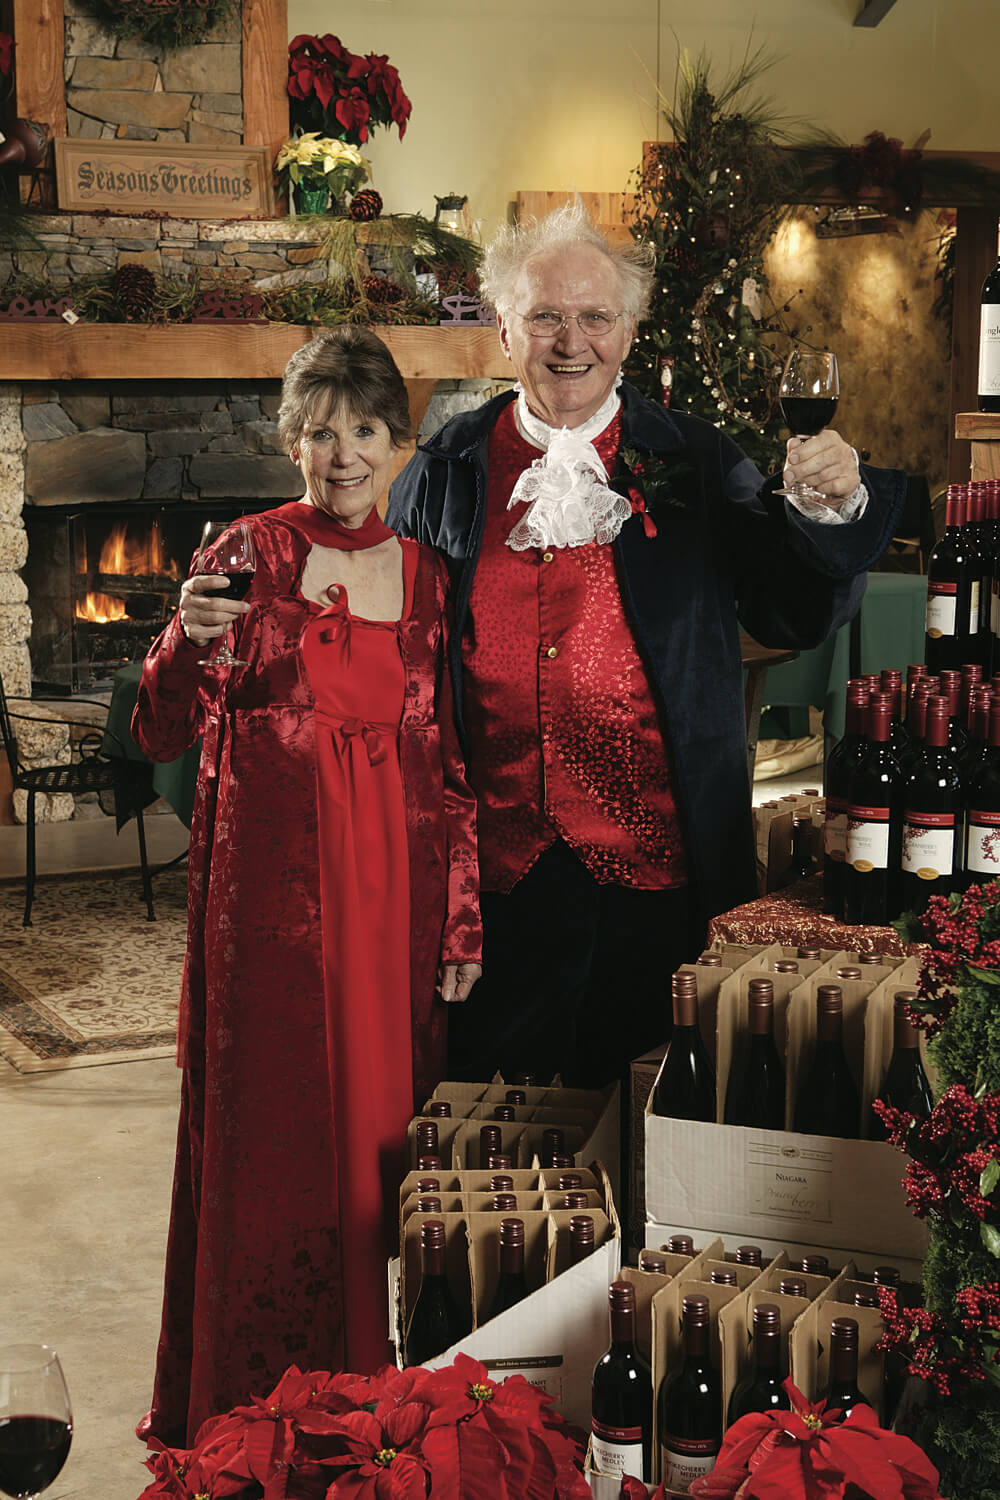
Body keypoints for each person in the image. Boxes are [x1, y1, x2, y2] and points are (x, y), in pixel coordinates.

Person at [387, 200, 904, 1091]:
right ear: (504, 327)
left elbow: (792, 614)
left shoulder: (696, 460)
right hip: (493, 880)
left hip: (656, 869)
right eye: (545, 315)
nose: (570, 339)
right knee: (495, 1119)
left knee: (651, 1116)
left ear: (628, 331)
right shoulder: (447, 467)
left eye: (595, 317)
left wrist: (833, 506)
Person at [134, 327, 482, 1445]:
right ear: (291, 440)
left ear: (399, 445)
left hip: (399, 905)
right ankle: (260, 1409)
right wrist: (181, 644)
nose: (342, 456)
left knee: (388, 1146)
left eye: (365, 432)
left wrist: (461, 915)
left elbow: (451, 763)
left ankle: (376, 1402)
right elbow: (156, 732)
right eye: (320, 431)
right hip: (277, 917)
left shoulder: (430, 575)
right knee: (282, 1146)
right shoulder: (246, 552)